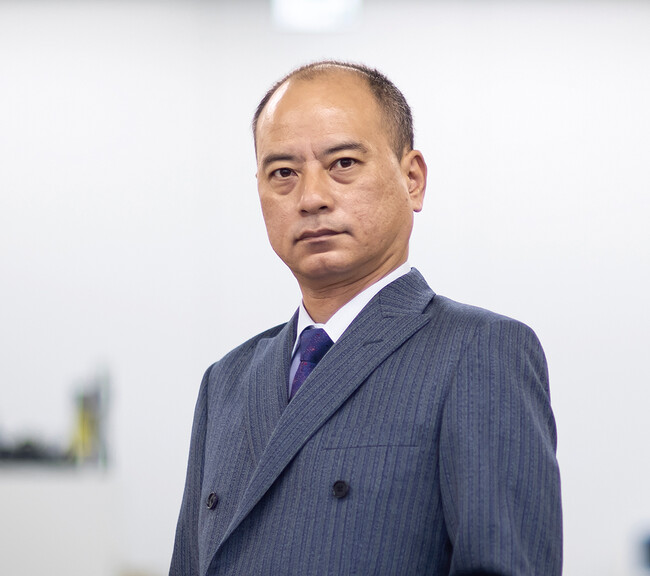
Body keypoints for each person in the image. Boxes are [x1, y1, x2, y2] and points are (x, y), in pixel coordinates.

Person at [170, 60, 562, 575]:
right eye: (283, 173)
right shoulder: (226, 381)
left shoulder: (479, 352)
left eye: (343, 163)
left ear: (412, 179)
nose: (312, 198)